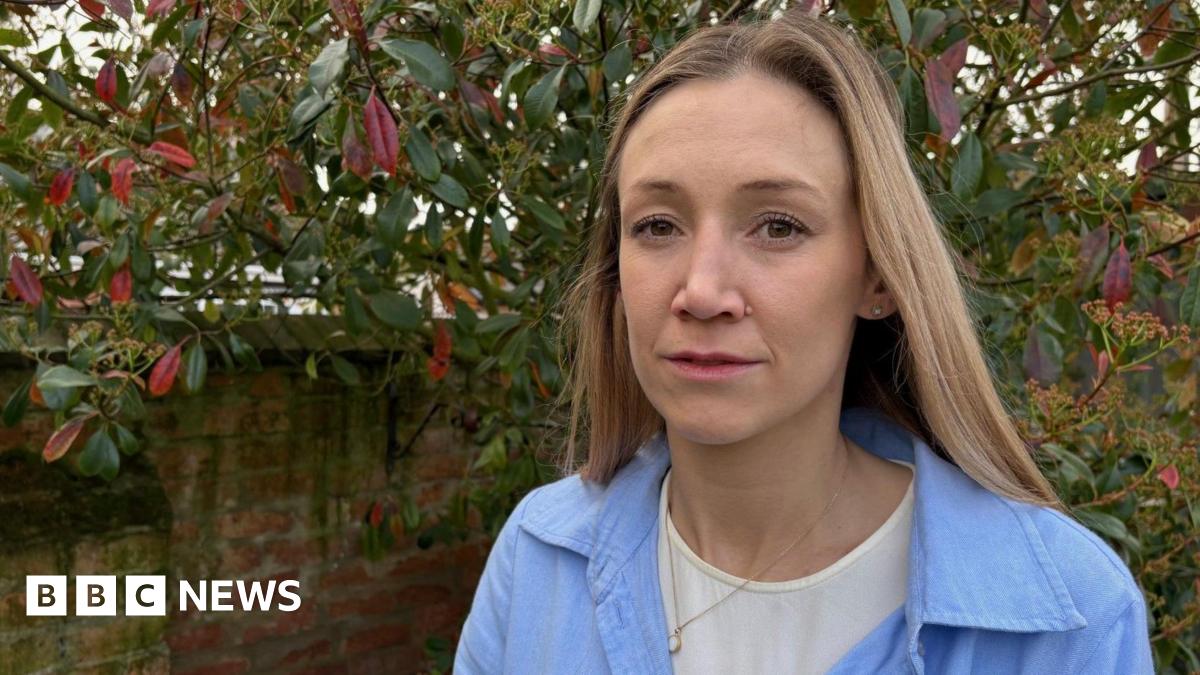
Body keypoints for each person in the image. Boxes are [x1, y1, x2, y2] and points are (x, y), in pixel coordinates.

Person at [453, 7, 1153, 674]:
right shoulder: (540, 559)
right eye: (658, 225)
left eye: (779, 226)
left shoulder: (1071, 619)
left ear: (877, 273)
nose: (701, 290)